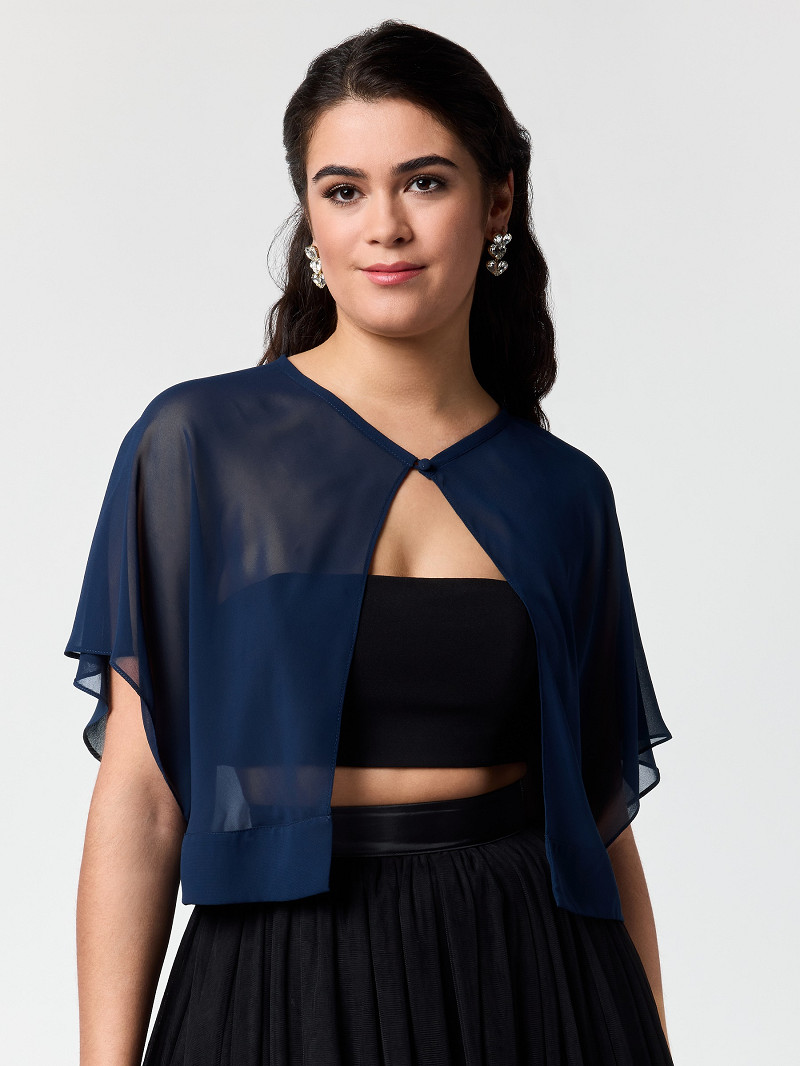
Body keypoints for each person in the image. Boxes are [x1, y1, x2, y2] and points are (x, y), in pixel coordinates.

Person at [67, 19, 674, 1066]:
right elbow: (142, 798)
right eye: (343, 190)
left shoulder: (564, 492)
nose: (383, 226)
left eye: (424, 182)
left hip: (530, 979)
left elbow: (598, 826)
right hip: (275, 981)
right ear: (310, 216)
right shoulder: (199, 445)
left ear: (497, 201)